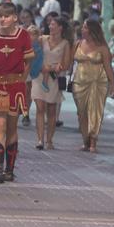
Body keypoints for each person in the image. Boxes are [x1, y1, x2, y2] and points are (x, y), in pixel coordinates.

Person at [0, 2, 35, 183]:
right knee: (0, 124)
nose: (2, 19)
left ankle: (10, 169)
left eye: (6, 16)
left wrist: (21, 79)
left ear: (14, 18)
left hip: (15, 86)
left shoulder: (23, 36)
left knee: (12, 127)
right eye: (0, 16)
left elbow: (28, 61)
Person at [72, 19, 114, 152]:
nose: (82, 30)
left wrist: (113, 85)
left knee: (95, 111)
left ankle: (93, 141)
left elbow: (108, 67)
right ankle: (85, 139)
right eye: (83, 27)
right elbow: (67, 62)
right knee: (81, 113)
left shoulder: (102, 48)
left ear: (92, 30)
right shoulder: (77, 44)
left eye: (85, 28)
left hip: (98, 82)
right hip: (79, 82)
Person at [32, 17, 71, 150]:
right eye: (50, 24)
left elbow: (66, 64)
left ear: (60, 28)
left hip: (54, 78)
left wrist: (55, 67)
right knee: (40, 108)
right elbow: (31, 48)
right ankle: (39, 140)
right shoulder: (42, 39)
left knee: (51, 110)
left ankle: (49, 140)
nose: (50, 26)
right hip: (39, 76)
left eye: (53, 24)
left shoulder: (65, 43)